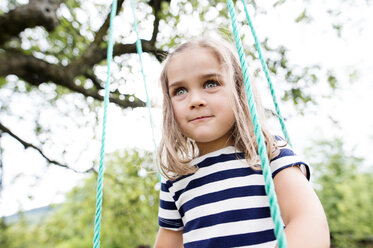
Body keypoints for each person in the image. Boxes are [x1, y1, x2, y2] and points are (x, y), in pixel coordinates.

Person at [154, 37, 330, 248]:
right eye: (180, 91)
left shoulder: (268, 152)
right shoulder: (176, 178)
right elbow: (169, 243)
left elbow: (308, 219)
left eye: (211, 83)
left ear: (239, 90)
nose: (195, 100)